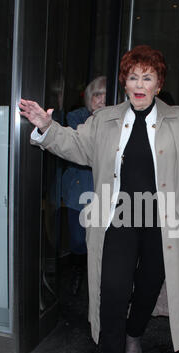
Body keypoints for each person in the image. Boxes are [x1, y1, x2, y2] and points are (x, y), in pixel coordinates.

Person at [19, 45, 179, 353]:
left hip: (164, 219)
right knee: (112, 289)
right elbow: (75, 146)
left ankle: (134, 332)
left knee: (149, 286)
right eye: (133, 77)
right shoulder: (105, 120)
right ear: (124, 82)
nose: (139, 84)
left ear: (158, 84)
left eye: (148, 77)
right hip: (119, 218)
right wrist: (48, 128)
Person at [62, 76, 106, 295]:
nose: (101, 100)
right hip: (79, 189)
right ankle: (78, 271)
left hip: (105, 191)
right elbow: (82, 150)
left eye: (106, 95)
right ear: (89, 97)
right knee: (78, 239)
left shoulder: (118, 122)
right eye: (97, 95)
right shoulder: (76, 117)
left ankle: (96, 280)